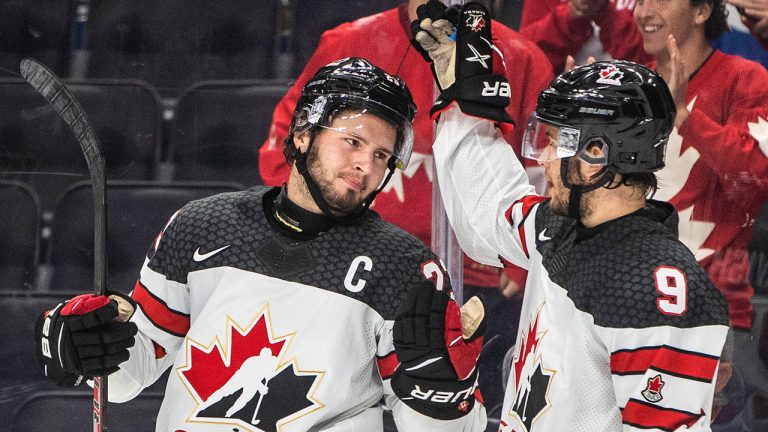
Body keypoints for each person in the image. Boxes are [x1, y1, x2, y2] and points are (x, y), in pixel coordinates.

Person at [33, 58, 489, 432]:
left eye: (382, 156)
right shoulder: (201, 226)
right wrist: (89, 347)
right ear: (304, 133)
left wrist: (445, 396)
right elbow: (133, 368)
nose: (365, 166)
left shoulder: (407, 269)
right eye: (353, 141)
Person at [413, 3, 730, 430]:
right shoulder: (557, 228)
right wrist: (465, 104)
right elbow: (490, 207)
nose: (543, 160)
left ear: (598, 155)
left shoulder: (662, 290)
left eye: (557, 142)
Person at [258, 0, 554, 413]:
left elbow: (544, 169)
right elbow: (284, 152)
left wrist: (520, 263)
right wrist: (325, 239)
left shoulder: (522, 57)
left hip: (481, 291)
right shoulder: (348, 43)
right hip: (357, 276)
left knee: (459, 417)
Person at [519, 0, 651, 72]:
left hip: (628, 99)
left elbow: (652, 59)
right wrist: (571, 17)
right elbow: (527, 58)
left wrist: (605, 13)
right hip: (558, 101)